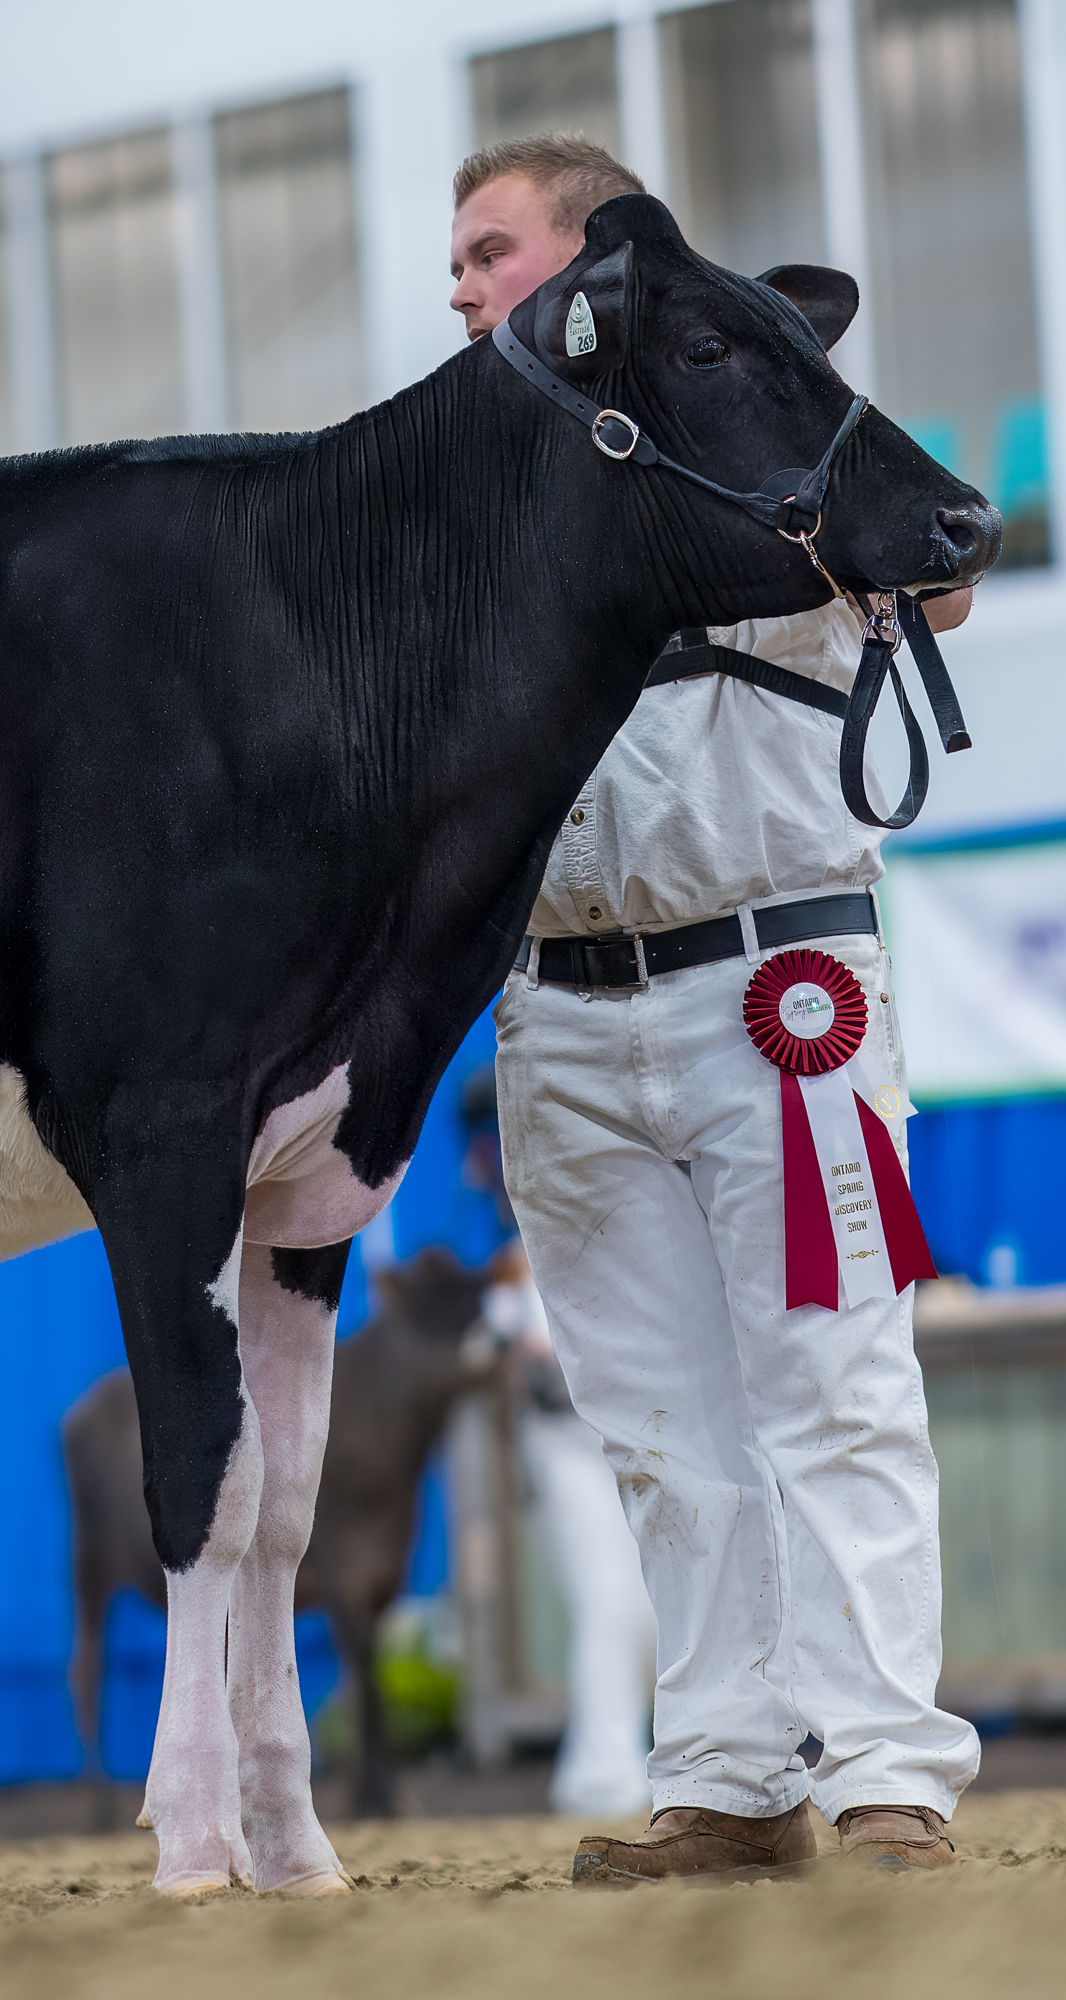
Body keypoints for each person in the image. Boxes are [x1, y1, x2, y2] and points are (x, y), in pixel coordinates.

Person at [452, 134, 983, 1880]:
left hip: (780, 983)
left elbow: (944, 556)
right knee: (656, 1421)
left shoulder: (761, 409)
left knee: (831, 1381)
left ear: (592, 252)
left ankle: (889, 1771)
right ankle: (735, 1778)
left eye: (488, 250)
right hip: (560, 1005)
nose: (459, 285)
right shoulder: (461, 480)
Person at [463, 1074, 654, 1820]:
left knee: (648, 1613)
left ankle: (634, 1767)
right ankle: (604, 1782)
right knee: (608, 1606)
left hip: (630, 1437)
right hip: (564, 1445)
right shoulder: (512, 1261)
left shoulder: (620, 1229)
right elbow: (520, 1347)